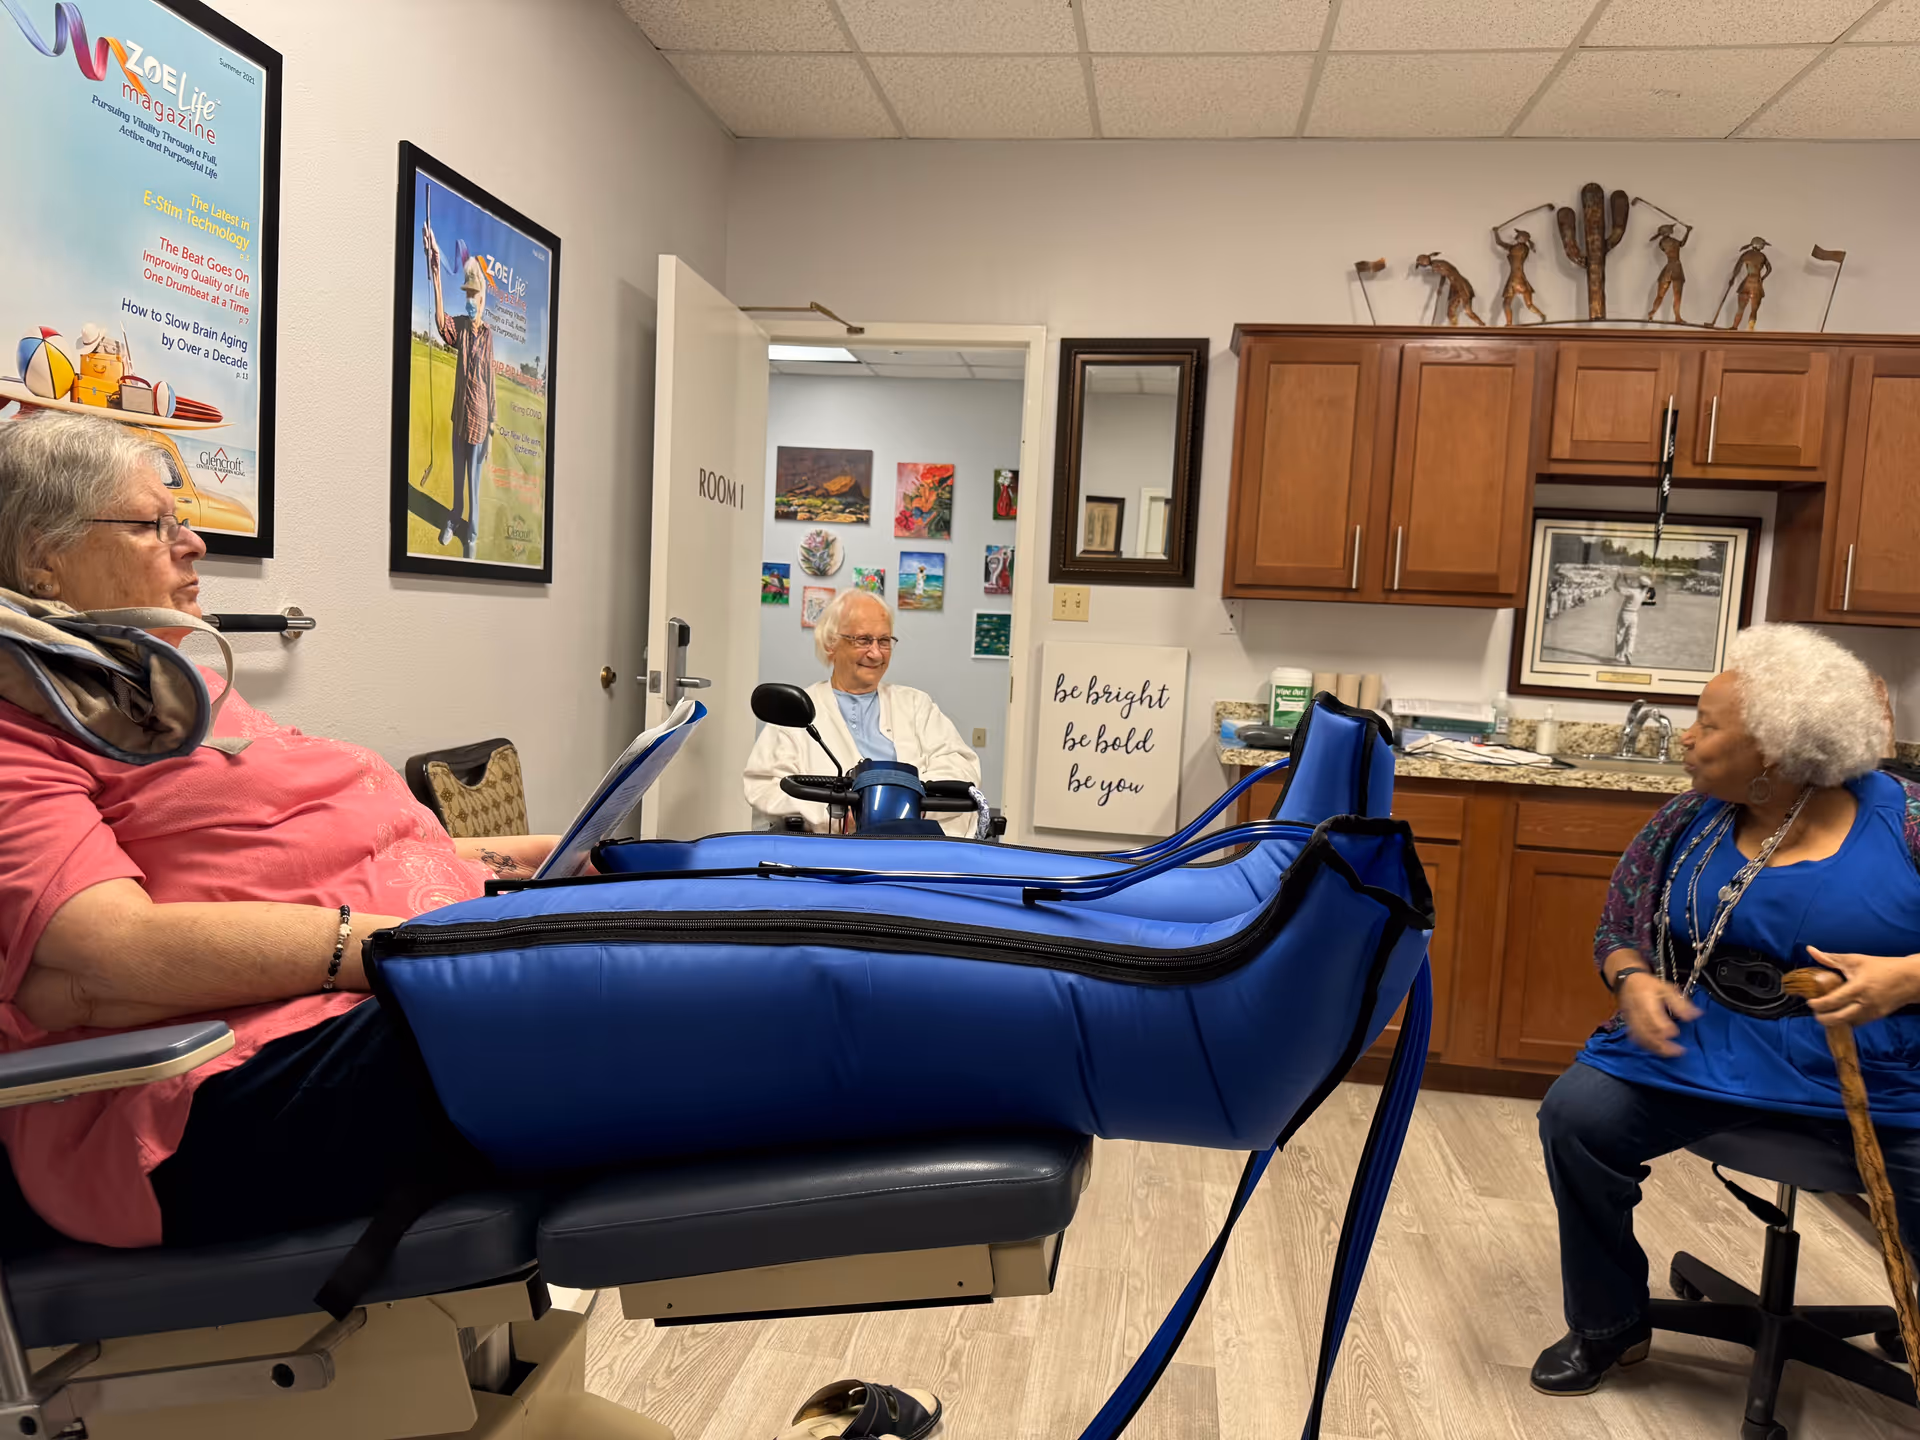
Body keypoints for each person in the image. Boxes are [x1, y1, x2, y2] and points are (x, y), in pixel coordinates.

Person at [0, 414, 556, 1249]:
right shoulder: (20, 726)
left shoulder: (150, 687)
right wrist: (397, 953)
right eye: (155, 523)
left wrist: (521, 860)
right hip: (204, 1086)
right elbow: (103, 951)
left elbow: (294, 857)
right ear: (45, 554)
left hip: (363, 985)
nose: (193, 545)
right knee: (600, 1000)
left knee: (676, 901)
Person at [1531, 624, 1920, 1396]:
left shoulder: (1906, 821)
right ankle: (1608, 1324)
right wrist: (1633, 978)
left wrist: (1906, 979)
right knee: (1578, 1118)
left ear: (1772, 752)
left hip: (1880, 1076)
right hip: (1702, 1050)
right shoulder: (1691, 818)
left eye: (1708, 725)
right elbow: (1619, 922)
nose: (1687, 737)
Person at [744, 589, 981, 839]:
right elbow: (766, 787)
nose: (876, 653)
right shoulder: (798, 711)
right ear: (830, 644)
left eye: (884, 641)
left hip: (915, 848)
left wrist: (909, 806)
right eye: (864, 640)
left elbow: (960, 767)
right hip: (831, 855)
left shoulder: (916, 705)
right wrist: (835, 816)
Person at [423, 222, 495, 560]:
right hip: (460, 417)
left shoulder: (488, 335)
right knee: (457, 479)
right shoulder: (462, 328)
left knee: (475, 484)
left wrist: (492, 427)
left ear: (483, 299)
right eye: (467, 294)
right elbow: (440, 324)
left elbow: (491, 380)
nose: (470, 300)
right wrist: (435, 272)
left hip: (480, 423)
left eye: (475, 295)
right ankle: (454, 519)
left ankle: (473, 535)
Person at [1612, 568, 1652, 663]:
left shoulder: (1631, 592)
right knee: (1631, 635)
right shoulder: (1643, 592)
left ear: (1639, 583)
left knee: (1620, 634)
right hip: (1634, 615)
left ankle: (1620, 656)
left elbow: (1616, 587)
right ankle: (1629, 652)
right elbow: (1633, 586)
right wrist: (1625, 579)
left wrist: (1618, 578)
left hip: (1625, 613)